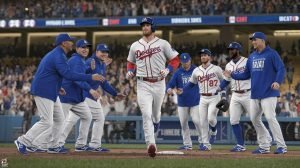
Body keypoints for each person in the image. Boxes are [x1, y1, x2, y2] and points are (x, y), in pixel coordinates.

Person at [14, 33, 104, 155]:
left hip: (51, 90)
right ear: (63, 43)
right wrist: (91, 76)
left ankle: (53, 146)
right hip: (43, 90)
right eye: (70, 41)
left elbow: (53, 73)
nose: (72, 43)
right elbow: (68, 75)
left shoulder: (60, 54)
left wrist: (59, 86)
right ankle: (23, 141)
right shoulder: (58, 56)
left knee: (60, 119)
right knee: (47, 121)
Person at [224, 32, 287, 154]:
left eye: (255, 40)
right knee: (254, 119)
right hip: (255, 94)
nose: (253, 42)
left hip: (269, 92)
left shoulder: (272, 54)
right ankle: (264, 146)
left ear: (262, 41)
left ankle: (281, 146)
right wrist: (232, 74)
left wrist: (278, 81)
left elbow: (281, 68)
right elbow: (246, 74)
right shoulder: (252, 56)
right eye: (252, 40)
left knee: (270, 117)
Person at [126, 17, 180, 157]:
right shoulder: (135, 45)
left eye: (147, 25)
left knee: (155, 114)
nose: (144, 27)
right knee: (146, 113)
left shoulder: (163, 43)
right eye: (143, 25)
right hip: (142, 83)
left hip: (159, 83)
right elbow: (130, 62)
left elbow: (175, 59)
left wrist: (168, 69)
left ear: (153, 27)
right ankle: (151, 144)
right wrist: (130, 71)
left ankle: (157, 122)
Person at [58, 39, 101, 152]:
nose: (85, 49)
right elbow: (76, 78)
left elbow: (80, 74)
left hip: (77, 98)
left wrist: (88, 69)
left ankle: (80, 144)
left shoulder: (80, 60)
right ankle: (54, 144)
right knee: (59, 121)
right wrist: (90, 90)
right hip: (67, 96)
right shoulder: (76, 60)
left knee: (87, 116)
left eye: (87, 47)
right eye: (83, 47)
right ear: (77, 49)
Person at [83, 43, 125, 152]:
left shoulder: (101, 64)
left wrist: (115, 94)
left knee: (72, 119)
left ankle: (90, 145)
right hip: (85, 95)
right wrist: (89, 89)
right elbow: (79, 75)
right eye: (102, 51)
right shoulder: (91, 61)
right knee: (97, 118)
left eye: (106, 52)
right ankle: (93, 145)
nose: (104, 54)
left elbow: (104, 83)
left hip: (90, 96)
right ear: (96, 52)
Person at [219, 42, 256, 152]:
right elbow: (226, 81)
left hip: (248, 93)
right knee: (233, 120)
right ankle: (240, 145)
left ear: (238, 50)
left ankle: (266, 142)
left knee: (255, 119)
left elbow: (248, 75)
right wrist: (218, 88)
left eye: (233, 49)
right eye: (229, 49)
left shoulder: (247, 61)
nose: (231, 51)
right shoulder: (228, 65)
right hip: (235, 94)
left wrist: (232, 74)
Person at [185, 49, 223, 151]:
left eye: (205, 55)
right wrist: (183, 90)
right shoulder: (196, 70)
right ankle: (206, 144)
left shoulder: (216, 69)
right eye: (202, 55)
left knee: (211, 118)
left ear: (210, 57)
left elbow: (225, 80)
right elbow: (191, 83)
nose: (203, 57)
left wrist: (224, 94)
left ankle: (214, 130)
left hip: (214, 96)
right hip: (202, 97)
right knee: (203, 122)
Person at [166, 53, 202, 150]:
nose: (185, 63)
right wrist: (169, 89)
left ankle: (203, 142)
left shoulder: (197, 70)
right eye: (183, 62)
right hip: (182, 102)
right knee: (183, 123)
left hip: (195, 101)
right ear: (181, 62)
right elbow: (170, 84)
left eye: (187, 61)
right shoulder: (178, 72)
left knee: (197, 121)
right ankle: (187, 144)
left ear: (190, 60)